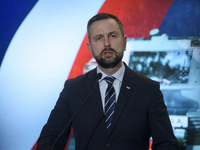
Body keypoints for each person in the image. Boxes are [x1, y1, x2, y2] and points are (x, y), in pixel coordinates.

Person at [36, 13, 179, 150]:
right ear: (90, 48)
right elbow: (50, 138)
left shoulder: (148, 89)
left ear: (124, 42)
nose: (106, 44)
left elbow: (166, 143)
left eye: (112, 36)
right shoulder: (73, 88)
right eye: (98, 38)